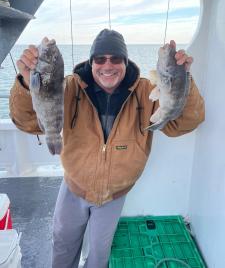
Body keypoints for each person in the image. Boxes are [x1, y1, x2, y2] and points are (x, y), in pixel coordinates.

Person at [10, 29, 205, 268]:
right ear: (91, 62)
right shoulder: (69, 87)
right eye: (100, 59)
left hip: (114, 194)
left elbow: (183, 124)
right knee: (63, 244)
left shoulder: (146, 92)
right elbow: (28, 122)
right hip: (74, 187)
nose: (108, 65)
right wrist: (27, 84)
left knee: (101, 253)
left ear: (125, 61)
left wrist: (182, 80)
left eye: (116, 58)